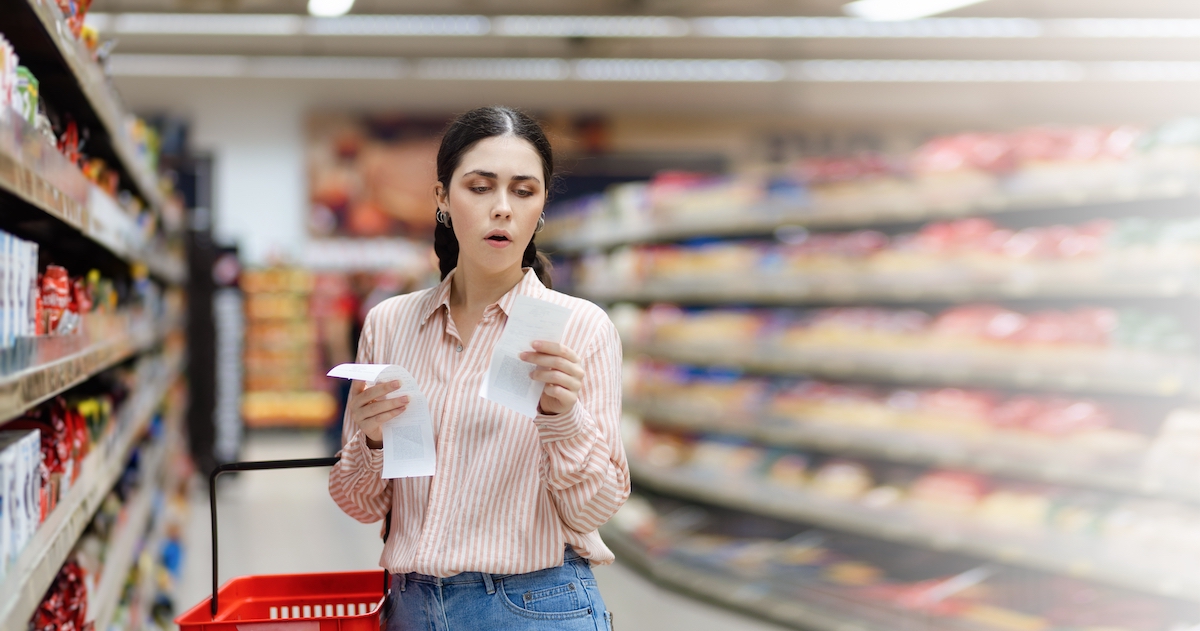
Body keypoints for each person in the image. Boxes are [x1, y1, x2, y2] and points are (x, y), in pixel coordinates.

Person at [328, 106, 628, 631]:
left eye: (523, 190)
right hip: (412, 608)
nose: (502, 209)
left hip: (537, 607)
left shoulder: (579, 329)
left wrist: (563, 418)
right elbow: (358, 503)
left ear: (542, 205)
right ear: (442, 197)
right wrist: (373, 441)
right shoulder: (391, 325)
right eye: (480, 187)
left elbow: (591, 514)